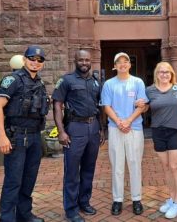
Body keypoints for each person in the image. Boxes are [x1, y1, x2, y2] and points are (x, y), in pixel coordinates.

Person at [0, 45, 49, 222]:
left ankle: (24, 214)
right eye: (32, 58)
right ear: (24, 60)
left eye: (39, 60)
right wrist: (2, 136)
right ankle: (7, 218)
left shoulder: (40, 83)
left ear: (43, 64)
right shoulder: (12, 79)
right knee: (13, 181)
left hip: (34, 137)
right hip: (16, 137)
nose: (35, 62)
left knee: (29, 180)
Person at [52, 49, 105, 222]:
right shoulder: (66, 80)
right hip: (75, 128)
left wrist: (101, 129)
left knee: (89, 169)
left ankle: (84, 202)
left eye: (87, 60)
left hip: (93, 128)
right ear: (75, 60)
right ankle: (71, 209)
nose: (84, 63)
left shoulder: (95, 82)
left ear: (91, 61)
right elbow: (57, 105)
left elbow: (100, 107)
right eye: (81, 60)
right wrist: (61, 131)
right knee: (72, 171)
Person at [101, 52, 148, 216]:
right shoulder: (108, 84)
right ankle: (117, 199)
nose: (122, 64)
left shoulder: (137, 82)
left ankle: (136, 199)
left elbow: (142, 105)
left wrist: (128, 121)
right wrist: (120, 122)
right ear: (115, 66)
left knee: (135, 164)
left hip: (134, 128)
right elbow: (106, 106)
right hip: (115, 129)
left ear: (129, 64)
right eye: (118, 62)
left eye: (125, 61)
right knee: (117, 165)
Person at [145, 62, 177, 219]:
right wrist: (140, 104)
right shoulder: (149, 90)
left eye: (167, 72)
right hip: (158, 131)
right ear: (156, 74)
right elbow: (144, 106)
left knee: (174, 166)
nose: (164, 74)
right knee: (166, 166)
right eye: (161, 72)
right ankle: (171, 198)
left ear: (171, 74)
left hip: (175, 131)